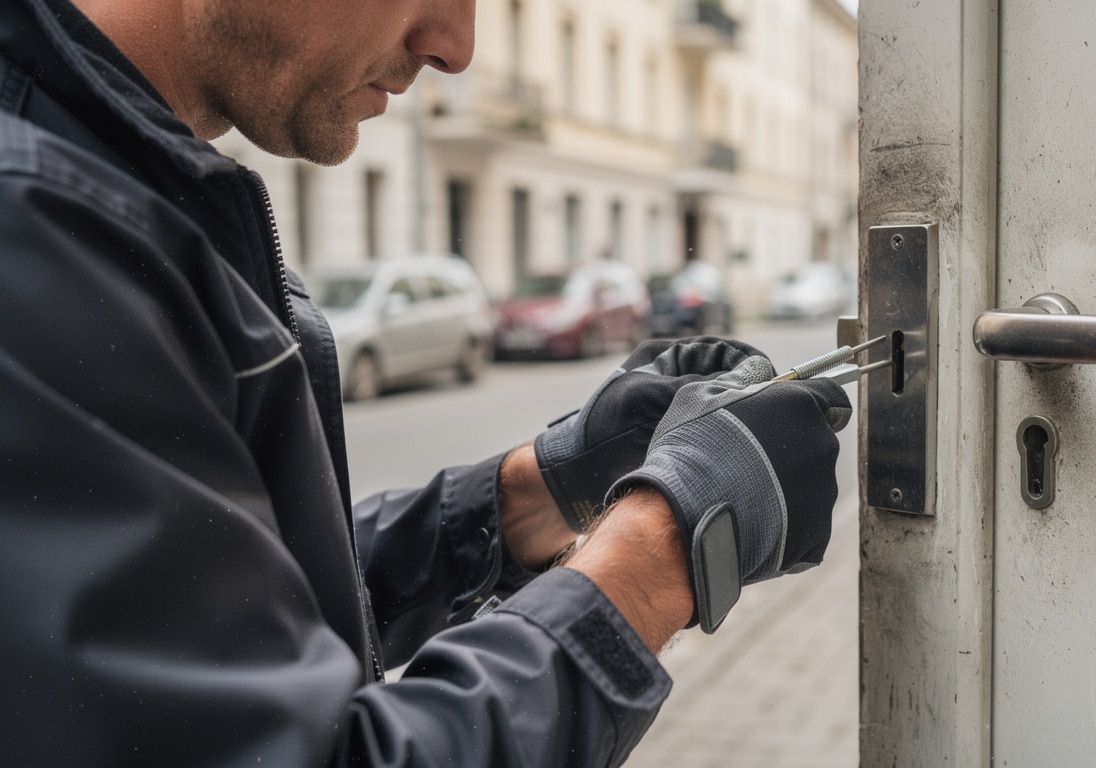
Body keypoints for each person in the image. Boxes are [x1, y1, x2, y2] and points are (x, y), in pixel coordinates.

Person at [0, 0, 853, 764]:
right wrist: (667, 540)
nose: (455, 46)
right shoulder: (34, 235)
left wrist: (538, 486)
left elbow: (227, 605)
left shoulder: (111, 188)